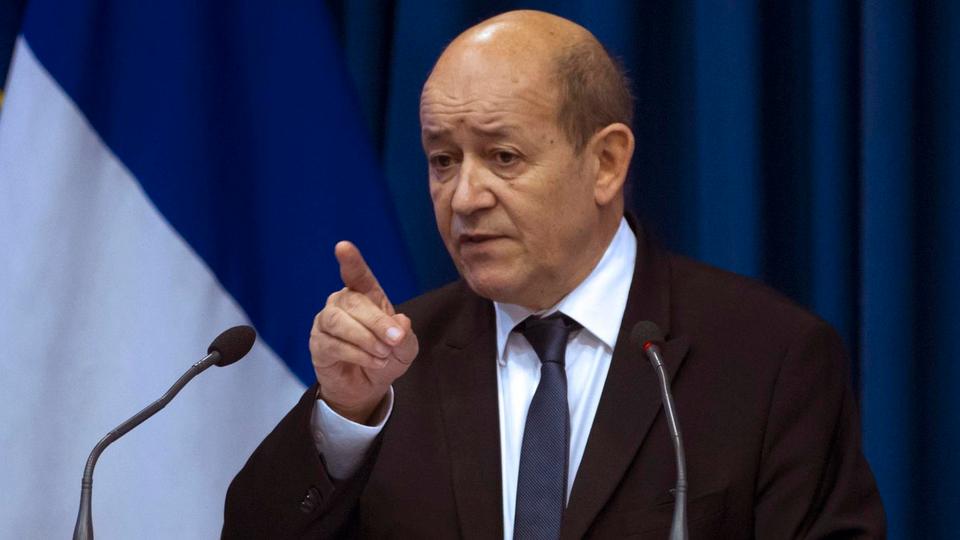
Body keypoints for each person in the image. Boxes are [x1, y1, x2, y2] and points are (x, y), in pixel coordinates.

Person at [222, 10, 885, 539]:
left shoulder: (770, 359)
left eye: (503, 156)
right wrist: (345, 413)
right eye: (443, 160)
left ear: (606, 163)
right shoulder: (392, 363)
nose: (464, 197)